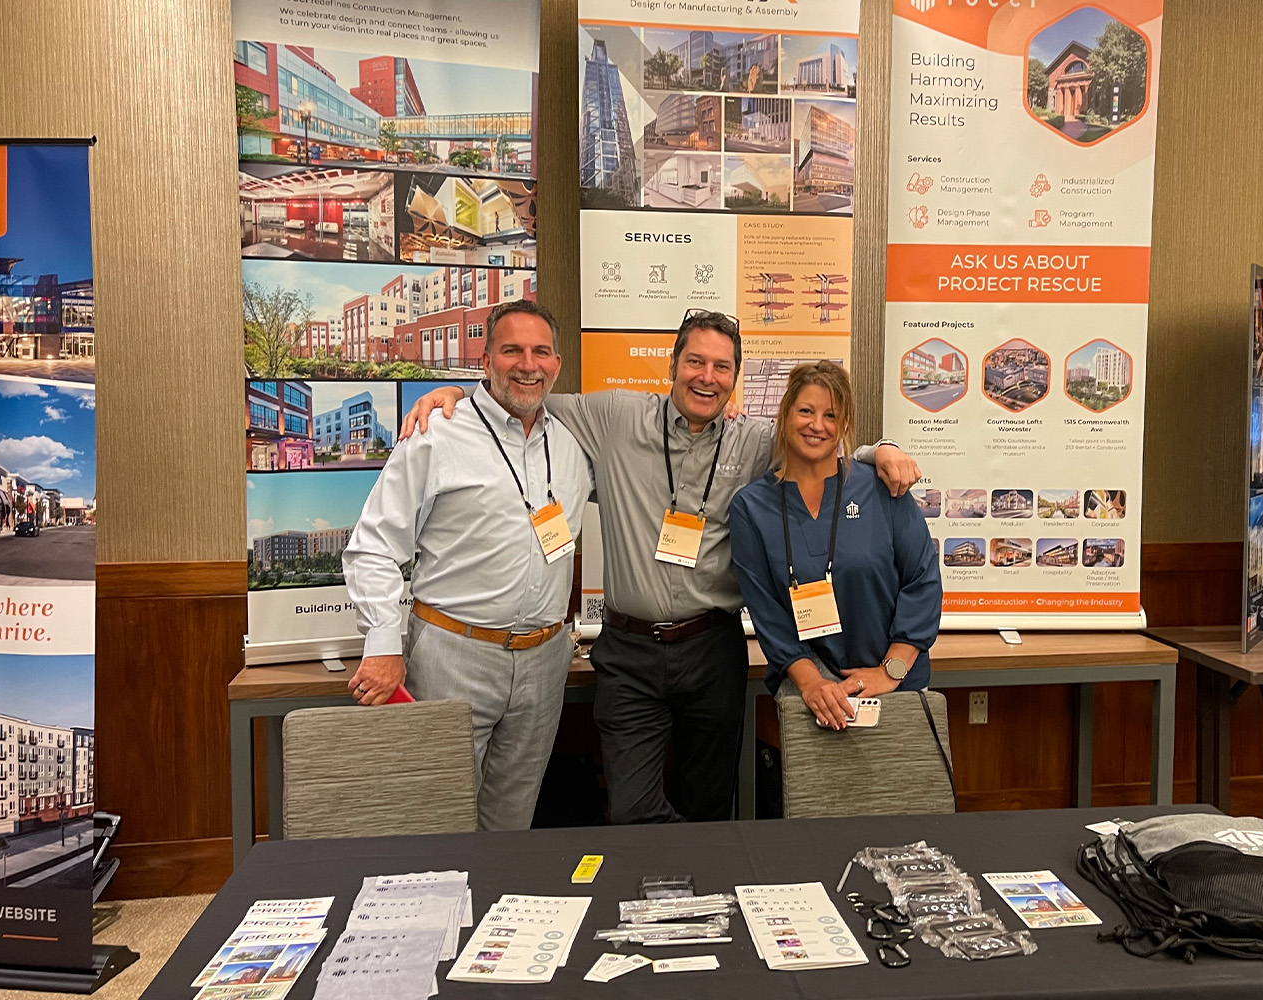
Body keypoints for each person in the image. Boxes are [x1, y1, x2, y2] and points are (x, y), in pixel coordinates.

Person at [402, 310, 921, 823]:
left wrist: (882, 451)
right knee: (630, 809)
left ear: (734, 378)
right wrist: (458, 394)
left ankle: (704, 896)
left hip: (712, 649)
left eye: (721, 367)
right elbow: (523, 391)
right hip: (629, 653)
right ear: (672, 364)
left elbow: (821, 440)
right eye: (695, 361)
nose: (707, 376)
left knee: (710, 806)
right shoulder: (615, 416)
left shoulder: (756, 439)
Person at [342, 299, 590, 831]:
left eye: (541, 351)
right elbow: (374, 544)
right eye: (512, 350)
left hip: (545, 663)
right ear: (484, 361)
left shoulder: (571, 445)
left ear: (557, 363)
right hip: (452, 656)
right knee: (436, 821)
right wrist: (383, 642)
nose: (528, 364)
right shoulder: (438, 432)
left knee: (511, 823)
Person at [728, 362, 941, 730]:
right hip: (810, 697)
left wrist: (890, 671)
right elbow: (767, 612)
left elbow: (922, 580)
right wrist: (813, 684)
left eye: (831, 415)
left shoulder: (881, 488)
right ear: (785, 414)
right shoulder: (751, 507)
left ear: (843, 425)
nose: (817, 425)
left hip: (895, 687)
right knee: (819, 790)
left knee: (897, 788)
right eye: (806, 411)